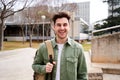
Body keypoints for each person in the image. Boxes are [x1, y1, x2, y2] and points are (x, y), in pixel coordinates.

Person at [32, 11, 87, 80]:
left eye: (65, 25)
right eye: (59, 25)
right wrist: (44, 68)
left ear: (69, 27)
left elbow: (82, 75)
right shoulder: (44, 47)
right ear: (54, 27)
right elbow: (35, 65)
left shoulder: (78, 48)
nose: (62, 28)